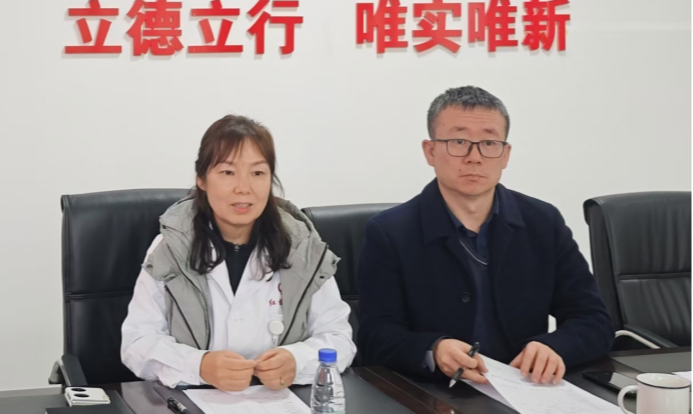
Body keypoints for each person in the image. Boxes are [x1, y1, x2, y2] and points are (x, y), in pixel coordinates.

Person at [357, 86, 613, 386]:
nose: (474, 157)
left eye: (489, 143)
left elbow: (593, 320)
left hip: (525, 388)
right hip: (432, 394)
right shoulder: (390, 232)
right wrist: (433, 349)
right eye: (459, 142)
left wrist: (556, 346)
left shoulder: (542, 222)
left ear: (505, 155)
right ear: (430, 151)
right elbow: (375, 336)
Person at [122, 115, 356, 390]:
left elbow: (339, 339)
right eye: (228, 172)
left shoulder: (303, 247)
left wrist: (298, 360)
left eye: (257, 173)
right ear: (202, 179)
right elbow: (137, 343)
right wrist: (198, 365)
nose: (243, 188)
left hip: (281, 402)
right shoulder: (170, 247)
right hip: (191, 403)